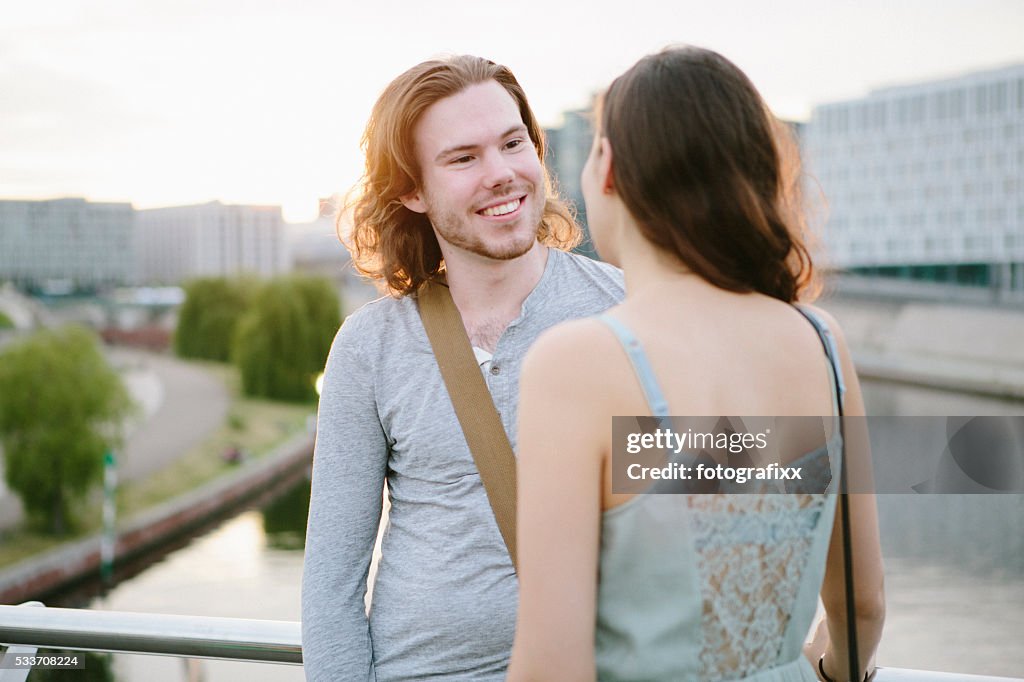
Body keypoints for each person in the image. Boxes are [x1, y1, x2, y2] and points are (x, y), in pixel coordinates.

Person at [507, 47, 885, 681]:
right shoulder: (821, 341)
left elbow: (551, 668)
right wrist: (819, 667)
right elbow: (862, 604)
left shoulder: (578, 365)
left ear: (609, 170)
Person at [301, 55, 624, 681]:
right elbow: (331, 587)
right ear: (411, 190)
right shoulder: (369, 347)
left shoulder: (626, 310)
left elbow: (739, 484)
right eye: (463, 158)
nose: (501, 174)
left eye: (513, 143)